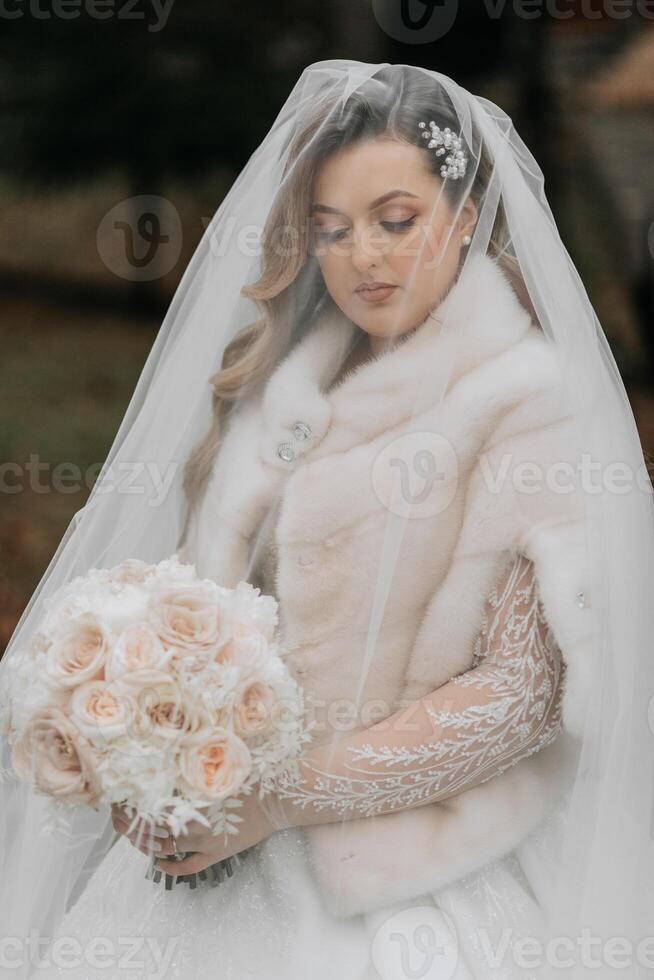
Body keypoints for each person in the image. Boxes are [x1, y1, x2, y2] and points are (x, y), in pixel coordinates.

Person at [1, 60, 653, 980]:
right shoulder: (272, 390)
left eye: (397, 222)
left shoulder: (524, 404)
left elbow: (520, 696)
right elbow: (203, 614)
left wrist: (273, 799)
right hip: (217, 855)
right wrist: (153, 755)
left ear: (463, 220)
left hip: (404, 870)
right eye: (332, 230)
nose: (364, 258)